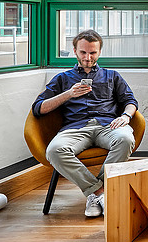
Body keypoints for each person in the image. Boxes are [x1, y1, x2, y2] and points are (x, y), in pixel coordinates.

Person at [32, 30, 138, 218]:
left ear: (99, 52)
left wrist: (126, 116)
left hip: (108, 125)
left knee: (125, 139)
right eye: (83, 52)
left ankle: (96, 195)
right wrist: (68, 94)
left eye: (93, 53)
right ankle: (99, 193)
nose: (88, 58)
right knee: (54, 150)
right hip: (76, 127)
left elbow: (130, 101)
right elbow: (38, 108)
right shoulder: (63, 78)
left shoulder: (112, 76)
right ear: (75, 51)